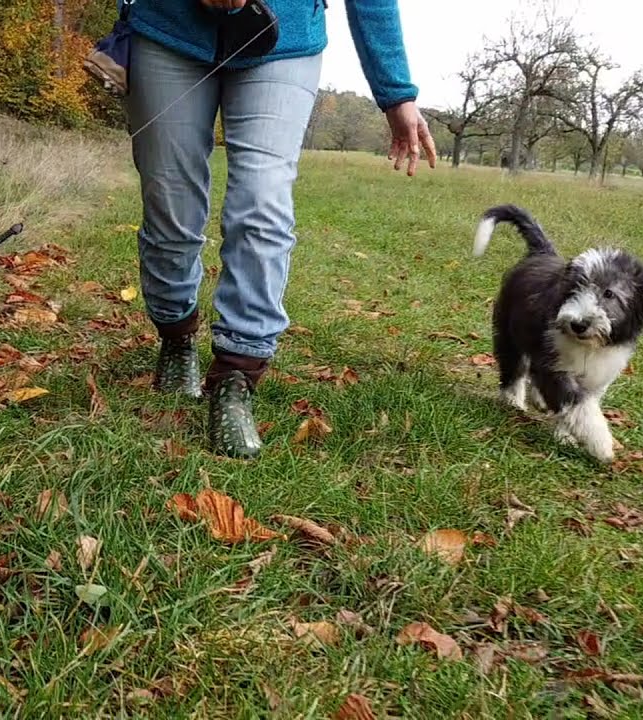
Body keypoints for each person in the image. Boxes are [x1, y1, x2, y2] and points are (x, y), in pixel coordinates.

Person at [121, 0, 436, 459]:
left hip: (283, 39)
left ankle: (235, 374)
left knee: (262, 202)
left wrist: (396, 92)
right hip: (169, 29)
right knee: (170, 203)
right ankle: (176, 335)